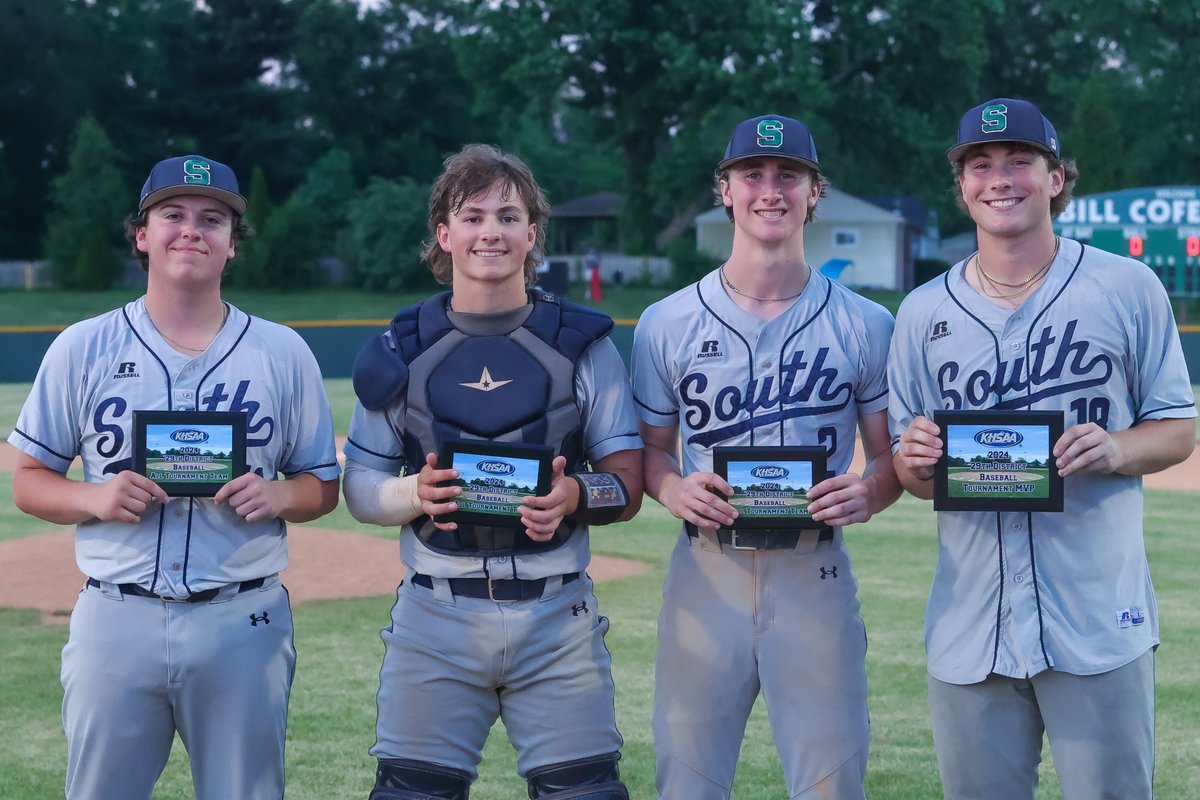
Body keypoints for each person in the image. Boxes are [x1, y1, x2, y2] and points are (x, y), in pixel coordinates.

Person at [889, 98, 1196, 799]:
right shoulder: (922, 313)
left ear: (1057, 177)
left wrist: (1115, 447)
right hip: (973, 627)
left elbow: (1179, 429)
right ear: (962, 186)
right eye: (980, 165)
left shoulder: (1127, 287)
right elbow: (913, 473)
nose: (1000, 178)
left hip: (1095, 617)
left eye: (1020, 160)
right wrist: (911, 461)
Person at [8, 154, 341, 800]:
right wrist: (93, 495)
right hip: (115, 615)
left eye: (213, 219)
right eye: (173, 215)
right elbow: (28, 479)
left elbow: (321, 486)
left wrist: (278, 493)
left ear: (232, 244)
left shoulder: (282, 352)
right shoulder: (83, 347)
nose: (192, 230)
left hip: (242, 618)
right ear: (141, 234)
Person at [343, 143, 643, 800]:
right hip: (435, 613)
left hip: (557, 611)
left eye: (508, 216)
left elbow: (627, 481)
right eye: (472, 216)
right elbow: (360, 490)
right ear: (444, 234)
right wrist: (411, 492)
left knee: (586, 793)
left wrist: (572, 495)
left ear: (531, 234)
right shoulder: (400, 348)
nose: (491, 231)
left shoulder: (583, 344)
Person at [631, 114, 901, 799]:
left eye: (790, 175)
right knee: (687, 784)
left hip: (814, 569)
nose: (770, 190)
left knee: (831, 786)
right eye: (753, 174)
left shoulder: (867, 323)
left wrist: (870, 492)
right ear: (725, 190)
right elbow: (650, 455)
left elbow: (890, 459)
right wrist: (671, 490)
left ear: (817, 193)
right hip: (706, 569)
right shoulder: (667, 322)